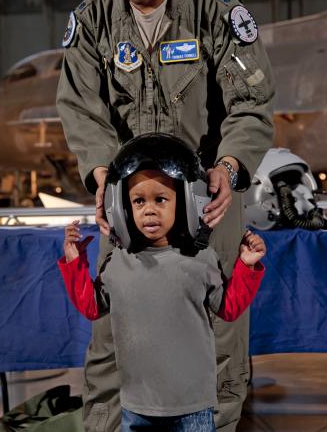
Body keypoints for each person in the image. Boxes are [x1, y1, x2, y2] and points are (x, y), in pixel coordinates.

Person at [56, 0, 275, 431]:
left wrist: (228, 169)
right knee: (111, 340)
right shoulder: (92, 23)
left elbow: (251, 105)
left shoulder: (218, 12)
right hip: (130, 205)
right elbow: (80, 108)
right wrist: (103, 174)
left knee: (217, 338)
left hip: (208, 203)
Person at [58, 134, 266, 432]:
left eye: (161, 199)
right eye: (139, 201)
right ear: (123, 206)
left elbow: (229, 308)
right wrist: (74, 261)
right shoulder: (118, 261)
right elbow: (92, 306)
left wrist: (246, 265)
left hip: (192, 406)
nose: (149, 210)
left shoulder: (201, 259)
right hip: (136, 405)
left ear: (183, 201)